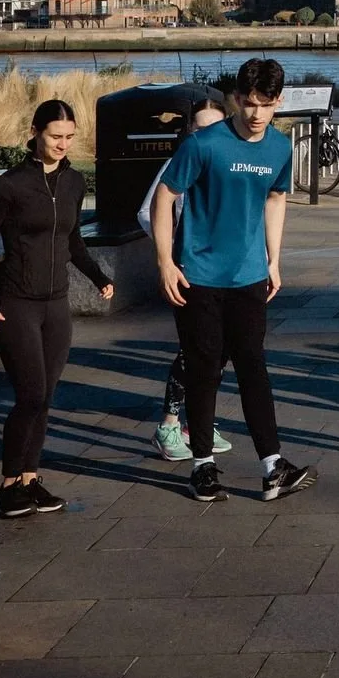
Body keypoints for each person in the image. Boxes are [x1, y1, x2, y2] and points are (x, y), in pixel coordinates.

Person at [152, 57, 315, 504]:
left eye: (267, 104)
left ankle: (272, 466)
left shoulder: (279, 148)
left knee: (253, 367)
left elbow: (276, 199)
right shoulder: (204, 144)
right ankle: (202, 466)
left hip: (249, 275)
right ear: (237, 99)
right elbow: (165, 196)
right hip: (198, 276)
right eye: (250, 103)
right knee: (204, 369)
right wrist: (165, 262)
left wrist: (274, 260)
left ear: (278, 102)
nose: (257, 113)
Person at [0, 99, 114, 518]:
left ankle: (30, 480)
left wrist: (98, 276)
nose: (63, 144)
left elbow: (73, 241)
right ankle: (7, 486)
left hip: (56, 305)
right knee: (31, 394)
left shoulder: (74, 182)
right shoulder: (10, 185)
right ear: (34, 133)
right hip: (15, 304)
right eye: (55, 136)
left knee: (46, 396)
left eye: (69, 137)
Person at [139, 98, 234, 461]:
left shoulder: (231, 159)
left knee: (221, 350)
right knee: (193, 350)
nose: (208, 134)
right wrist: (172, 251)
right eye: (200, 128)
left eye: (216, 126)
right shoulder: (179, 161)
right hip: (190, 271)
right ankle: (169, 424)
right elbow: (147, 210)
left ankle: (198, 423)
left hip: (231, 271)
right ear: (190, 131)